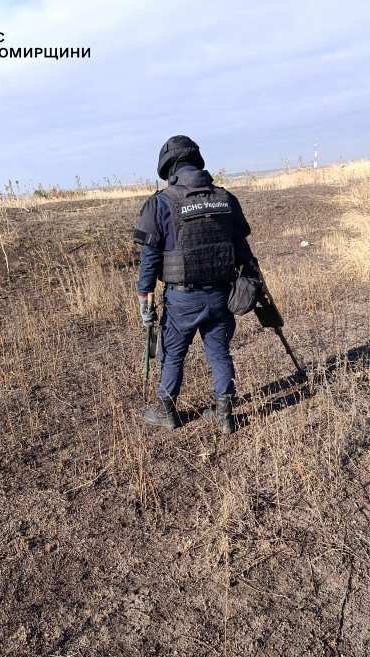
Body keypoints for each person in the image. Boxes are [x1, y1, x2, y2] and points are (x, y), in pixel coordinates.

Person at [134, 135, 259, 434]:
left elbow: (149, 259)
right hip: (221, 295)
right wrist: (256, 284)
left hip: (182, 300)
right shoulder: (225, 199)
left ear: (168, 166)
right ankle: (225, 413)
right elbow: (243, 251)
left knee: (173, 353)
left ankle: (167, 411)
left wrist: (144, 298)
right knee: (219, 352)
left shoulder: (160, 203)